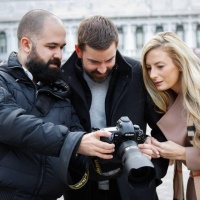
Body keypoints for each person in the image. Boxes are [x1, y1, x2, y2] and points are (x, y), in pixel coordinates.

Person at [0, 9, 115, 200]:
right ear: (27, 44)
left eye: (61, 47)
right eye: (52, 46)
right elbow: (10, 122)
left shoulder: (60, 91)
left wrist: (113, 152)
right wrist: (74, 142)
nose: (59, 55)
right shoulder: (2, 80)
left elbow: (80, 150)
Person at [61, 15, 169, 200]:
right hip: (82, 189)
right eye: (94, 62)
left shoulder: (138, 73)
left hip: (136, 188)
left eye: (109, 60)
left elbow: (164, 129)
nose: (103, 69)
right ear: (78, 51)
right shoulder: (61, 80)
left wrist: (152, 173)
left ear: (116, 46)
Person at [140, 31, 200, 200]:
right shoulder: (167, 101)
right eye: (149, 68)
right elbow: (173, 145)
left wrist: (183, 153)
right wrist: (152, 144)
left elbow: (181, 149)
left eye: (160, 66)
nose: (152, 75)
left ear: (180, 63)